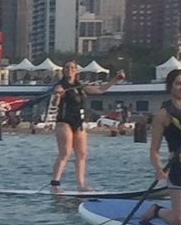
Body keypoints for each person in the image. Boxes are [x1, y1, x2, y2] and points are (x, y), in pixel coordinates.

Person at [136, 68, 181, 225]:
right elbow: (154, 149)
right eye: (179, 84)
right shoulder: (162, 115)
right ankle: (157, 210)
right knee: (180, 221)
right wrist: (158, 168)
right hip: (180, 169)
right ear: (170, 87)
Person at [47, 60, 124, 192]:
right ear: (63, 71)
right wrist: (57, 95)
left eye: (72, 67)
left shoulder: (80, 87)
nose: (69, 69)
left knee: (81, 154)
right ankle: (55, 184)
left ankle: (81, 185)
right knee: (65, 153)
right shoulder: (60, 86)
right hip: (64, 122)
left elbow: (100, 89)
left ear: (76, 71)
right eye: (66, 67)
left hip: (79, 122)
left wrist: (115, 80)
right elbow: (55, 103)